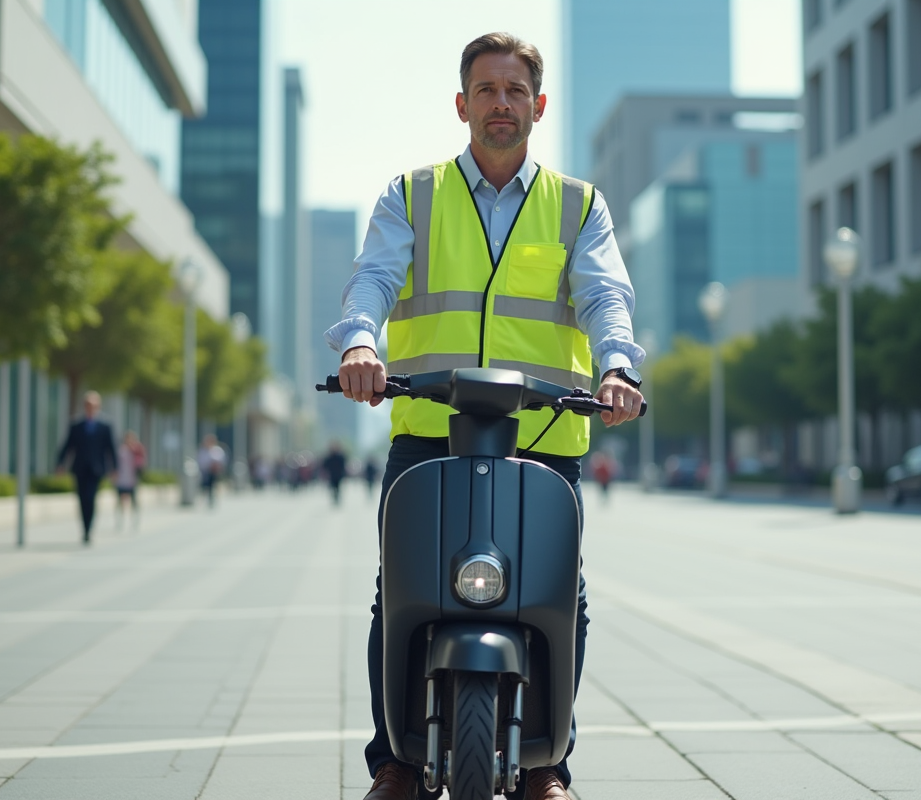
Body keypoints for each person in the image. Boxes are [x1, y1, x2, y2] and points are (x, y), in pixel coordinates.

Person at [326, 33, 645, 800]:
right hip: (430, 430)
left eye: (514, 91)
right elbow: (373, 280)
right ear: (461, 104)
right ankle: (396, 763)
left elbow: (605, 297)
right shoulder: (413, 194)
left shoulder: (578, 204)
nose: (500, 104)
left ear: (538, 105)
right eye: (486, 90)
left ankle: (548, 768)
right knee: (395, 592)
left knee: (561, 595)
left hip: (543, 435)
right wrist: (361, 343)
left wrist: (617, 366)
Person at [55, 391, 117, 544]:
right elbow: (68, 445)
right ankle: (85, 528)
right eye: (88, 405)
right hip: (80, 468)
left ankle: (89, 529)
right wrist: (60, 463)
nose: (90, 408)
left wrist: (114, 468)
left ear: (98, 406)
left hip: (96, 469)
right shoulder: (76, 425)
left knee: (91, 498)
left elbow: (111, 448)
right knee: (82, 499)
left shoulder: (105, 426)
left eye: (93, 405)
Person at [115, 430, 145, 531]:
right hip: (121, 480)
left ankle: (135, 521)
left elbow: (141, 464)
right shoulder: (121, 450)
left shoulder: (137, 450)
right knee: (120, 501)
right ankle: (120, 521)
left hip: (132, 480)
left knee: (134, 502)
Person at [197, 434, 226, 508]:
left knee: (213, 486)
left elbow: (221, 460)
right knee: (205, 486)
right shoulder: (203, 450)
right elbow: (200, 461)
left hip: (214, 472)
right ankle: (206, 499)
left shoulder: (217, 450)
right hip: (205, 471)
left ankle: (212, 499)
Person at [321, 441, 348, 505]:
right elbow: (325, 465)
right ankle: (335, 497)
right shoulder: (329, 457)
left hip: (339, 475)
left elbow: (344, 465)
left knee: (338, 487)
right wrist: (324, 473)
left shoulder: (340, 457)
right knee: (332, 487)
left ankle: (337, 497)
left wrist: (345, 473)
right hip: (332, 475)